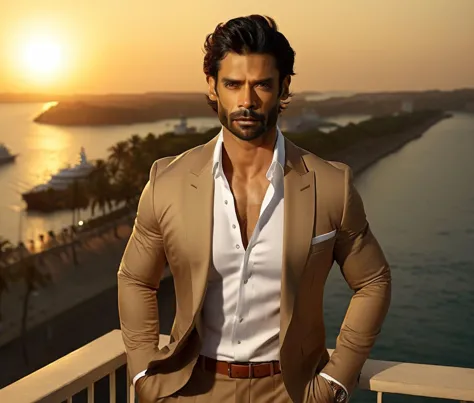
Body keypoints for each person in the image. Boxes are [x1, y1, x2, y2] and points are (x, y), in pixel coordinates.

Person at [117, 14, 391, 403]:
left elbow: (373, 281)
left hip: (291, 392)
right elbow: (135, 278)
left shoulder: (331, 185)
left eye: (262, 84)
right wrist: (145, 371)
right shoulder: (168, 181)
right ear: (212, 86)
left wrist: (335, 381)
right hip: (192, 388)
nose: (247, 101)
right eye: (233, 84)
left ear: (283, 88)